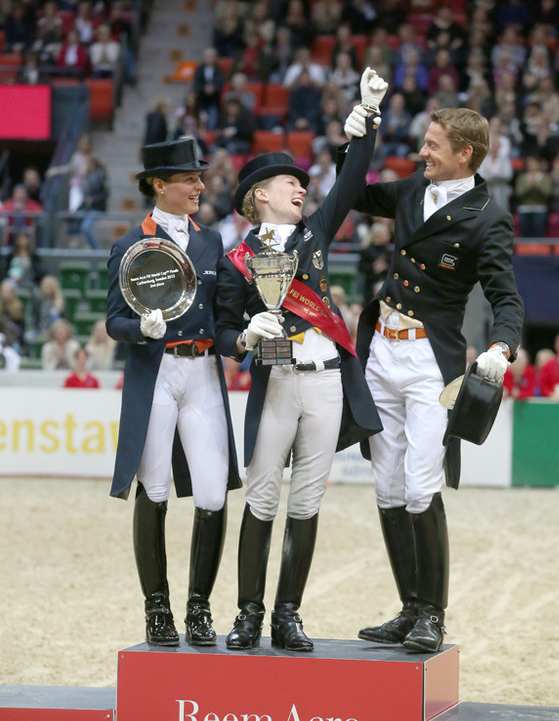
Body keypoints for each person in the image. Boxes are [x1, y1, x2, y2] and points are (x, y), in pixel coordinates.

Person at [214, 68, 387, 653]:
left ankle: (287, 613)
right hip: (276, 381)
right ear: (258, 194)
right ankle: (247, 613)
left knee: (308, 500)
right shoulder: (236, 259)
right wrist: (243, 336)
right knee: (262, 497)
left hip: (326, 382)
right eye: (290, 182)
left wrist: (363, 124)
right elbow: (222, 330)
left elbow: (351, 179)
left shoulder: (315, 235)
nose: (301, 188)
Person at [343, 103, 524, 654]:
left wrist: (502, 345)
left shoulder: (488, 215)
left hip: (429, 363)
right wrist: (357, 138)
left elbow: (505, 294)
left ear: (464, 153)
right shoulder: (408, 192)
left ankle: (432, 616)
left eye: (433, 145)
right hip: (382, 355)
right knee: (387, 486)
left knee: (422, 487)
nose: (423, 152)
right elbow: (352, 190)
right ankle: (407, 608)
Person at [106, 136, 241, 649]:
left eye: (199, 178)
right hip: (157, 371)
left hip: (202, 370)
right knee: (156, 487)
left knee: (211, 491)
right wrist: (143, 327)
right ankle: (157, 609)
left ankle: (200, 607)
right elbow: (114, 321)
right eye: (189, 178)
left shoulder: (210, 243)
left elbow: (224, 310)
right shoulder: (129, 246)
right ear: (159, 185)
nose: (200, 186)